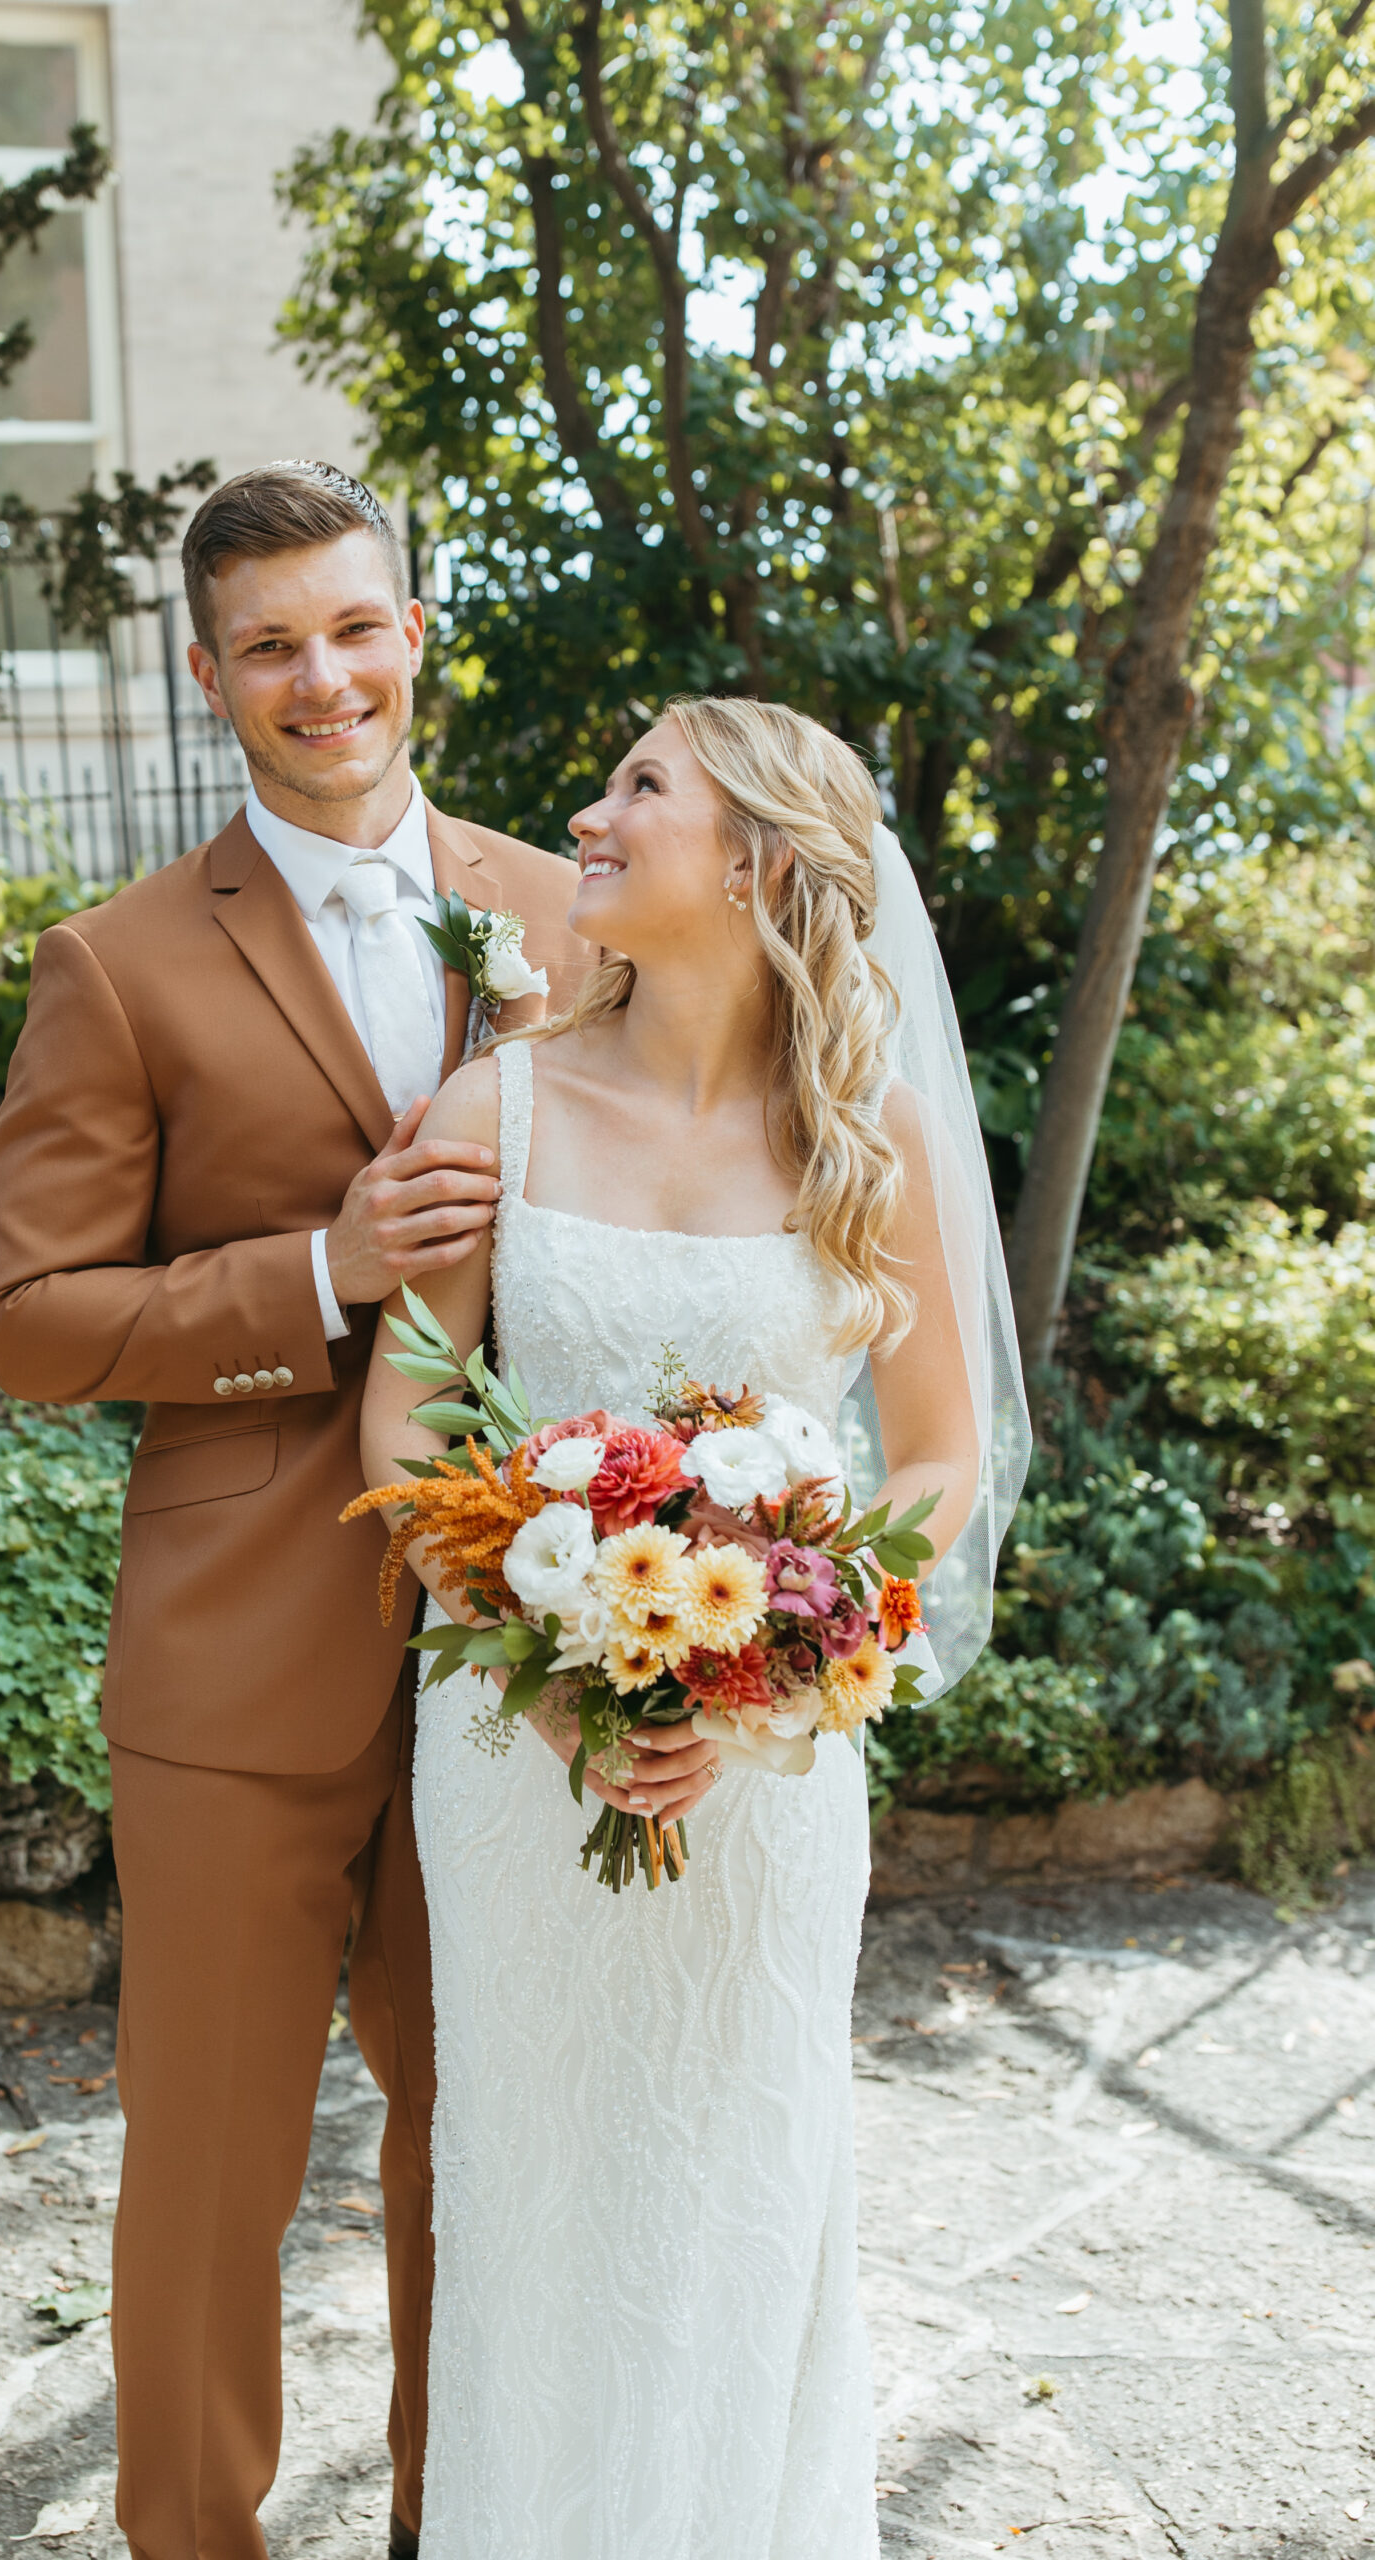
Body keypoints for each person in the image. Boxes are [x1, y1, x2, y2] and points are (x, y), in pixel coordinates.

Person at [0, 460, 592, 2560]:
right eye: (268, 645)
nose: (320, 678)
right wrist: (317, 1271)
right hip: (241, 1655)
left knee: (485, 2155)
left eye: (353, 626)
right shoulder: (119, 963)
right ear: (207, 670)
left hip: (539, 1633)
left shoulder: (573, 911)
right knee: (214, 2177)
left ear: (417, 624)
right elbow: (34, 1320)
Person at [359, 696, 1028, 2559]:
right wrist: (551, 1681)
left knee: (743, 2187)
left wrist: (768, 1679)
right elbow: (406, 1433)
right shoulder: (493, 1105)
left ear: (750, 859)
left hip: (768, 1767)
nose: (585, 813)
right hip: (513, 1755)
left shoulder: (856, 1129)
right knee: (537, 2198)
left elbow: (938, 1461)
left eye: (637, 787)